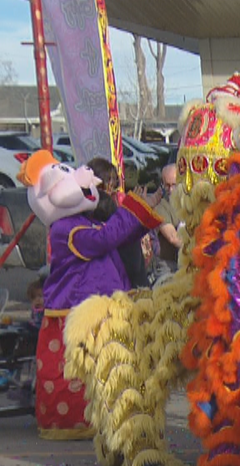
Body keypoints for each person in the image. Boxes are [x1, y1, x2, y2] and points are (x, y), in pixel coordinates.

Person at [18, 151, 162, 440]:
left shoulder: (81, 223)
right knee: (76, 375)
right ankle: (76, 423)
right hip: (75, 311)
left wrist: (141, 211)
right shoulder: (64, 230)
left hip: (96, 307)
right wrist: (133, 209)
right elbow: (105, 239)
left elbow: (114, 237)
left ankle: (110, 418)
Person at [87, 158, 152, 289]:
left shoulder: (120, 201)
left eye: (115, 184)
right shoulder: (93, 211)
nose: (113, 190)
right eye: (109, 185)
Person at [150, 165, 184, 284]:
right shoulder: (160, 206)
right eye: (167, 185)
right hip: (168, 266)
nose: (170, 190)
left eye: (174, 185)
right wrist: (194, 250)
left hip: (186, 264)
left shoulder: (188, 202)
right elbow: (173, 238)